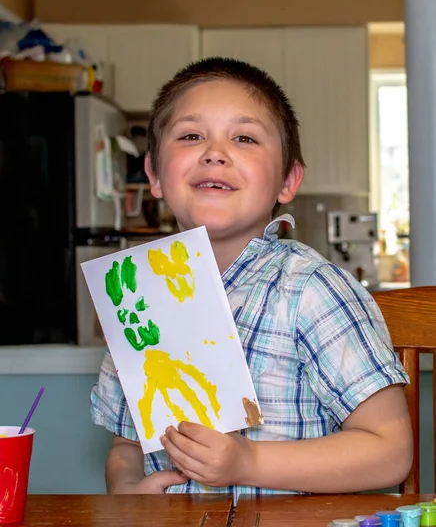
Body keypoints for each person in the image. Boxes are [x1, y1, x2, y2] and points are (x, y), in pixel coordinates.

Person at [90, 57, 413, 497]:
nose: (214, 152)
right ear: (154, 174)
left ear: (287, 181)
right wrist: (130, 493)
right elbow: (126, 446)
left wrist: (249, 462)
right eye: (190, 136)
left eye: (244, 138)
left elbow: (389, 451)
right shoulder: (135, 296)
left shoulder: (311, 290)